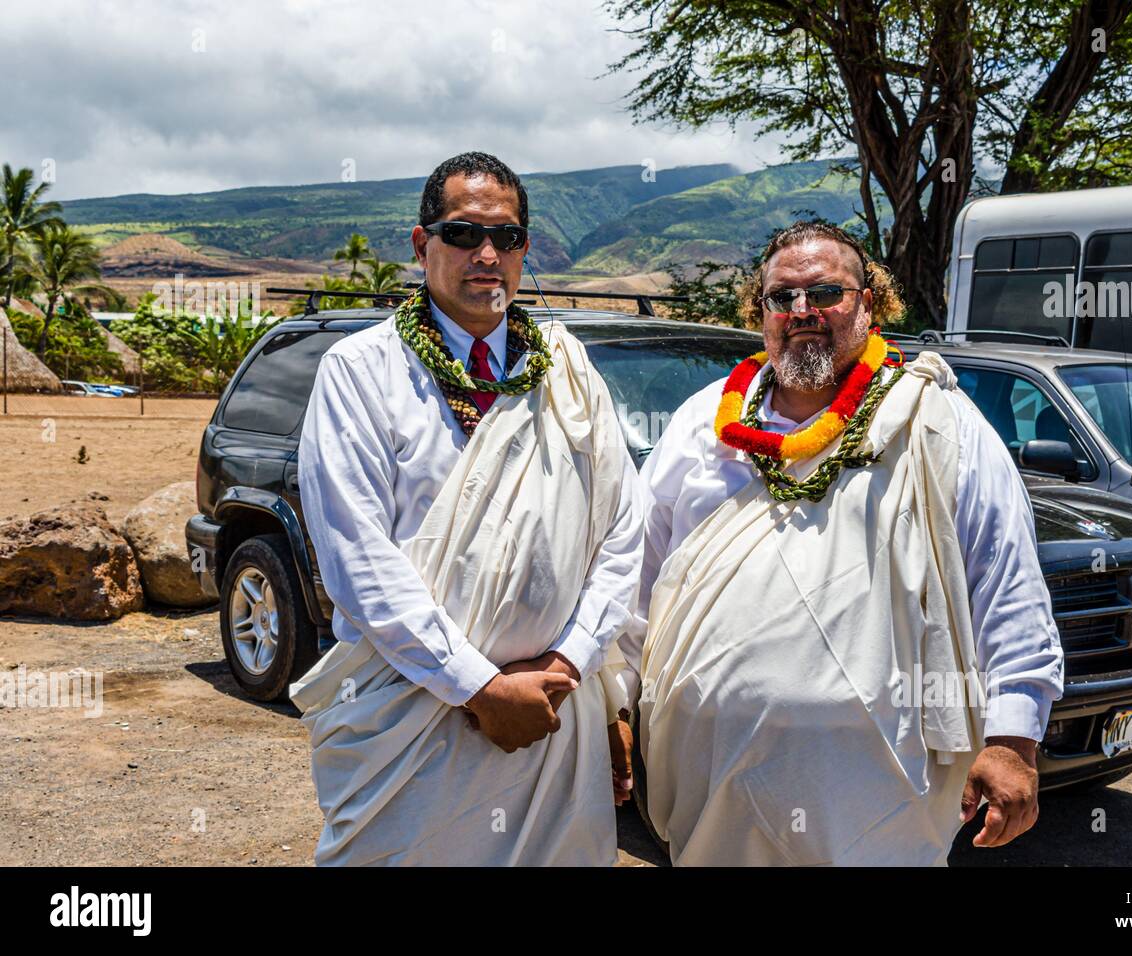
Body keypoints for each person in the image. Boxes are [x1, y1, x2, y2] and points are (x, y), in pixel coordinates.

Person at [622, 221, 1065, 866]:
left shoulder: (936, 422)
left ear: (870, 303)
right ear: (760, 311)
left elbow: (1005, 581)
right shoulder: (701, 424)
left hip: (883, 784)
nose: (803, 312)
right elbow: (640, 579)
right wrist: (616, 705)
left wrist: (1014, 737)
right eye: (782, 297)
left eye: (826, 291)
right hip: (713, 780)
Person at [290, 151, 643, 866]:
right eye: (463, 234)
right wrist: (478, 687)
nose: (487, 254)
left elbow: (621, 535)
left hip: (552, 712)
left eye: (507, 238)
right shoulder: (361, 372)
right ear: (422, 246)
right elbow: (358, 559)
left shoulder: (568, 370)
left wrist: (568, 664)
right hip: (411, 716)